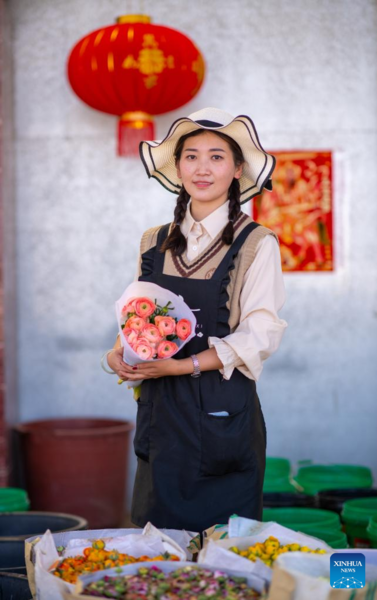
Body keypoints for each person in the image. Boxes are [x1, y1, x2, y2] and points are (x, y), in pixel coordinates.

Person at [105, 107, 287, 532]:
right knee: (157, 549)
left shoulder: (256, 244)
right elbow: (138, 316)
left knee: (224, 554)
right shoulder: (153, 240)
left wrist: (184, 365)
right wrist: (117, 354)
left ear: (238, 168)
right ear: (179, 165)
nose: (202, 168)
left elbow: (261, 333)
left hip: (223, 416)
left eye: (217, 156)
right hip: (160, 418)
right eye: (191, 156)